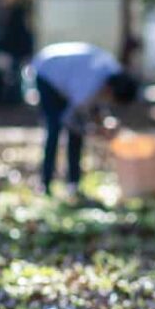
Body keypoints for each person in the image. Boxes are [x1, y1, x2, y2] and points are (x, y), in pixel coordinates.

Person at [30, 42, 139, 198]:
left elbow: (95, 106)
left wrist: (103, 122)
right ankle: (45, 183)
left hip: (67, 73)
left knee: (75, 135)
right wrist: (94, 130)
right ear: (110, 90)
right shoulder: (88, 86)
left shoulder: (113, 72)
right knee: (55, 128)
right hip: (47, 72)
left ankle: (73, 184)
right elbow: (70, 119)